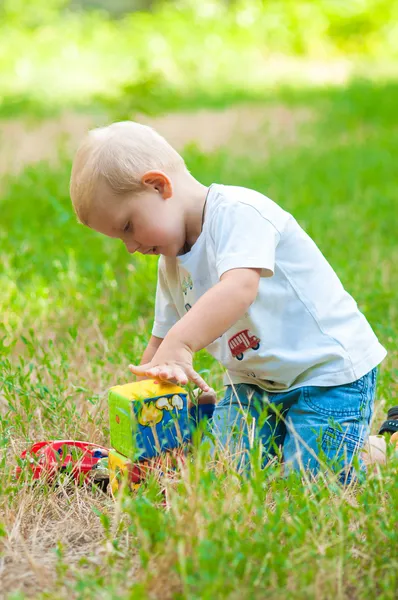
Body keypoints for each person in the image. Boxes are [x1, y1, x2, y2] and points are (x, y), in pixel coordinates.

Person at [70, 121, 387, 482]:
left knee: (309, 482)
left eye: (128, 226)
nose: (130, 247)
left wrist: (182, 343)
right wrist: (141, 404)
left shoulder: (239, 213)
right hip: (253, 387)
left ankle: (376, 449)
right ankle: (310, 442)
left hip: (327, 375)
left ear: (158, 186)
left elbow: (238, 289)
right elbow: (162, 341)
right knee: (222, 472)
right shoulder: (170, 265)